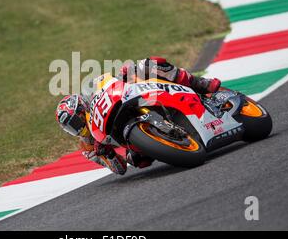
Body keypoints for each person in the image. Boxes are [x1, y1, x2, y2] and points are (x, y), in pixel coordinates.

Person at [55, 57, 221, 175]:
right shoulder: (87, 147)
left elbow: (109, 82)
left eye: (75, 122)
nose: (78, 129)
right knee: (137, 161)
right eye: (71, 128)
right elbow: (119, 169)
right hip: (130, 139)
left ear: (81, 108)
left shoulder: (93, 97)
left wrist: (124, 75)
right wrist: (108, 154)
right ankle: (170, 142)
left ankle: (198, 83)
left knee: (146, 65)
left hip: (130, 99)